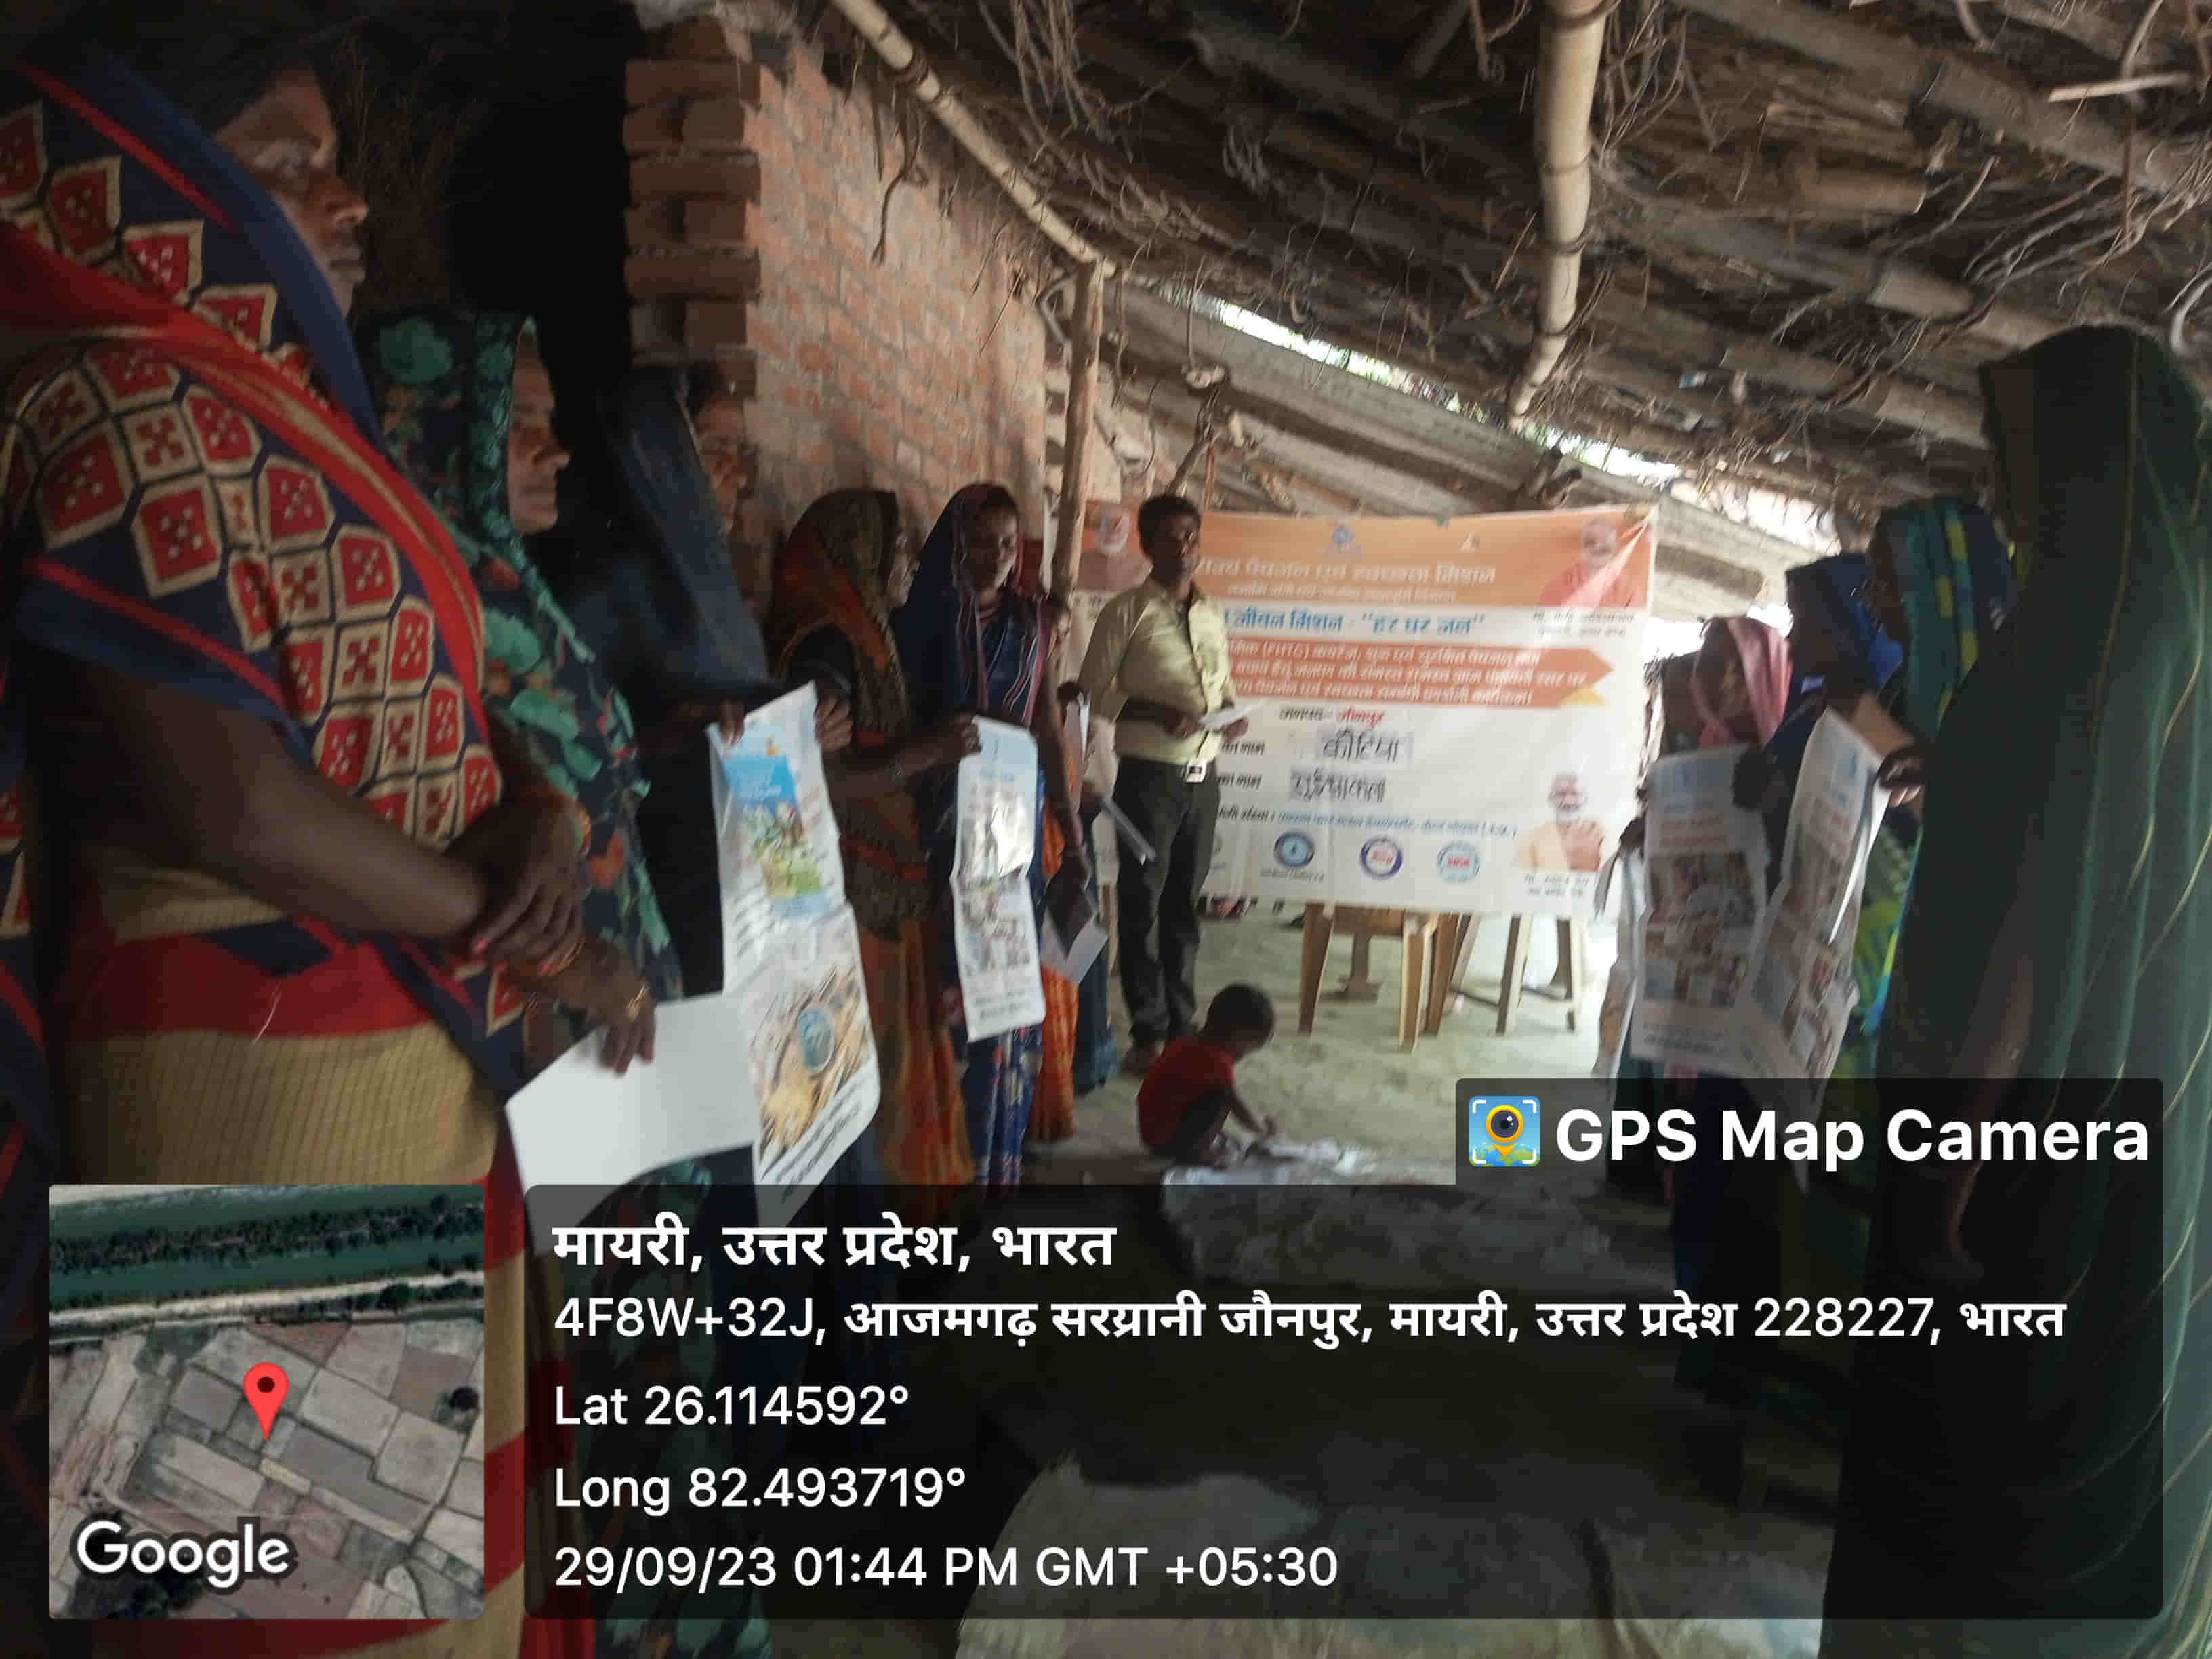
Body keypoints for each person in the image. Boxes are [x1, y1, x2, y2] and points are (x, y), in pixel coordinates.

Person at [0, 21, 587, 1656]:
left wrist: (537, 811)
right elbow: (236, 804)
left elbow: (436, 703)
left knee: (420, 1577)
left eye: (336, 166)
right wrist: (510, 914)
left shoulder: (288, 428)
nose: (348, 205)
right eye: (290, 162)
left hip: (401, 1034)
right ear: (146, 179)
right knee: (287, 1594)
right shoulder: (114, 402)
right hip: (250, 1061)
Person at [1823, 327, 2212, 1657]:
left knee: (1978, 1459)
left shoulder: (2087, 633)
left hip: (2020, 1135)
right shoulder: (2176, 635)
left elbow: (2039, 937)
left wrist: (1950, 1166)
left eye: (2023, 457)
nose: (2007, 489)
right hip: (2131, 1124)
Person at [361, 306, 668, 1074]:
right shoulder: (399, 602)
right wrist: (567, 961)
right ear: (440, 429)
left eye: (548, 423)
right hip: (503, 1022)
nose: (557, 452)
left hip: (596, 1003)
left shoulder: (512, 592)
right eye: (518, 423)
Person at [534, 365, 853, 995]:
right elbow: (570, 751)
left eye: (741, 454)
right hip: (672, 897)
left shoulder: (712, 587)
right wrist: (677, 732)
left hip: (757, 887)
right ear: (657, 457)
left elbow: (740, 707)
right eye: (712, 450)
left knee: (792, 1023)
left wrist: (804, 724)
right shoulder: (604, 586)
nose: (738, 475)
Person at [765, 487, 975, 1191]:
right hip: (849, 888)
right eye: (899, 547)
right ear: (859, 553)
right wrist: (926, 754)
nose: (909, 561)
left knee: (890, 1055)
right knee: (866, 1065)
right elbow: (808, 781)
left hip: (886, 879)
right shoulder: (825, 644)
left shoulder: (870, 636)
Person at [893, 483, 1084, 1193]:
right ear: (953, 542)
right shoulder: (919, 622)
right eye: (979, 541)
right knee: (953, 981)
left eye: (1007, 544)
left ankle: (997, 1158)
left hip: (1013, 827)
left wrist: (1069, 827)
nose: (995, 557)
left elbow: (1045, 728)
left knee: (1005, 972)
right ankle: (947, 1166)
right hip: (941, 824)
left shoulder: (1034, 624)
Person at [1074, 493, 1244, 1076]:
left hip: (1203, 779)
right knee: (1143, 905)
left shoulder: (1211, 613)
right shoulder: (1127, 612)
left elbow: (1222, 686)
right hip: (1149, 779)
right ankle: (1148, 1032)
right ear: (1147, 546)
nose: (1184, 546)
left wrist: (1233, 713)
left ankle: (1181, 1025)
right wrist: (1153, 712)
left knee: (1184, 907)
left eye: (1191, 535)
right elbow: (1092, 691)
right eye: (1170, 536)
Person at [1136, 983, 1279, 1166]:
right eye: (1251, 1046)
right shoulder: (1216, 1060)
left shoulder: (1187, 1040)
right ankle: (1198, 1152)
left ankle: (1197, 1143)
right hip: (1166, 1141)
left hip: (1151, 1132)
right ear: (1238, 1036)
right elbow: (1240, 1110)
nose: (1244, 1056)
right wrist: (1264, 1129)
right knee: (1222, 1096)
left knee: (1212, 1092)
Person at [1538, 514, 1645, 609]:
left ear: (1616, 548)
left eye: (1605, 540)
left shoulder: (1629, 589)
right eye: (1590, 541)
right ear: (1582, 548)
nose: (1597, 546)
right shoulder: (1557, 585)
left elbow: (1638, 622)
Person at [1515, 771, 1606, 872]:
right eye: (1561, 794)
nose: (1568, 801)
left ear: (1585, 799)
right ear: (1550, 798)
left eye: (1575, 794)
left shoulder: (1598, 831)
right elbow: (1521, 874)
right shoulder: (1533, 837)